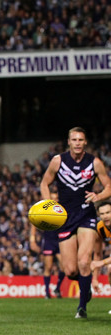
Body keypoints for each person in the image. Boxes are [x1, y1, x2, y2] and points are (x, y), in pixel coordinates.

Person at [40, 127, 111, 319]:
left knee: (83, 261)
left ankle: (82, 307)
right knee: (70, 270)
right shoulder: (58, 161)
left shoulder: (94, 163)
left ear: (85, 142)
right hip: (64, 218)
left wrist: (98, 195)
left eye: (81, 140)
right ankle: (85, 286)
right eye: (74, 140)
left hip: (86, 215)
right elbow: (44, 183)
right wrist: (47, 204)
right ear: (68, 142)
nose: (78, 143)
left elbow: (109, 186)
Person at [29, 190, 65, 299]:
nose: (55, 199)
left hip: (60, 241)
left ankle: (57, 288)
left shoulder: (62, 210)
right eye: (53, 197)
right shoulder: (45, 210)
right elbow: (34, 224)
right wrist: (32, 240)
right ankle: (47, 292)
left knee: (64, 267)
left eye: (56, 198)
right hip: (49, 241)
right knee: (48, 267)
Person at [90, 201, 111, 313]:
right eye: (102, 214)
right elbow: (97, 254)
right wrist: (95, 279)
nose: (105, 216)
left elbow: (99, 261)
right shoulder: (99, 228)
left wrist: (102, 263)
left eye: (108, 212)